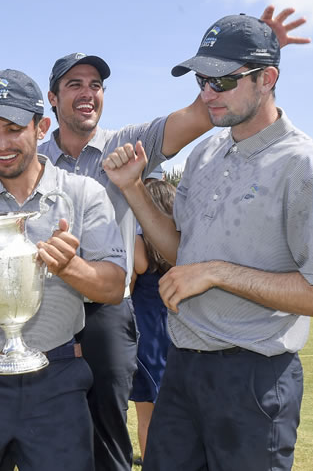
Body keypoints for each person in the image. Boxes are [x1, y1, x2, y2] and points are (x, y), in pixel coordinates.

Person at [0, 6, 309, 471]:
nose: (87, 92)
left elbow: (201, 112)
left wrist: (254, 51)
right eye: (74, 84)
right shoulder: (26, 150)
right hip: (39, 305)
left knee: (110, 416)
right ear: (49, 105)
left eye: (96, 84)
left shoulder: (128, 144)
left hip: (106, 300)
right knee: (34, 417)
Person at [103, 13, 313, 470]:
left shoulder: (308, 167)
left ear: (268, 79)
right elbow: (184, 253)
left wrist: (219, 273)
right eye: (203, 79)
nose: (208, 93)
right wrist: (133, 190)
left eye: (223, 80)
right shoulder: (205, 152)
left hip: (254, 378)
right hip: (182, 368)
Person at [0, 69, 126, 470]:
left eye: (14, 129)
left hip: (58, 382)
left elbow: (114, 287)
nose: (1, 144)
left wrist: (71, 267)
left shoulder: (82, 194)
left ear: (41, 125)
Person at [128, 178, 175, 467]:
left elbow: (130, 281)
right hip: (176, 331)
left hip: (146, 335)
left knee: (146, 417)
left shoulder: (138, 241)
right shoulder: (179, 245)